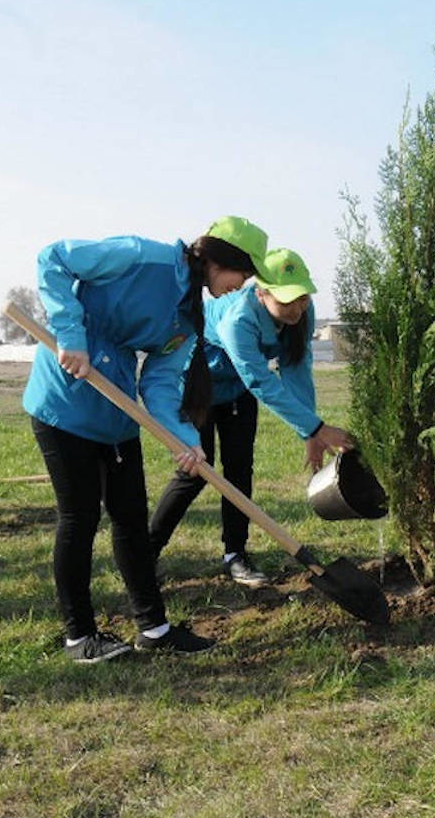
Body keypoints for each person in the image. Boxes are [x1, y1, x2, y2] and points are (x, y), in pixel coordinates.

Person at [24, 215, 268, 662]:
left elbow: (159, 380)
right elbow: (54, 258)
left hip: (115, 407)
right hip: (64, 398)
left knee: (132, 520)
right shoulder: (143, 257)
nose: (245, 285)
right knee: (79, 518)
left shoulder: (188, 315)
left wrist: (184, 438)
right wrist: (71, 334)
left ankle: (154, 629)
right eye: (245, 273)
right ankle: (80, 638)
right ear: (221, 259)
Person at [149, 248, 355, 584]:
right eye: (286, 301)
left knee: (239, 470)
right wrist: (317, 428)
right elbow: (259, 380)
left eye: (302, 298)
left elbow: (296, 369)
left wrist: (309, 433)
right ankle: (146, 553)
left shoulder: (302, 313)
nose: (297, 308)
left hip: (237, 392)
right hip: (199, 385)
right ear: (260, 293)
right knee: (196, 471)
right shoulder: (237, 319)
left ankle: (235, 554)